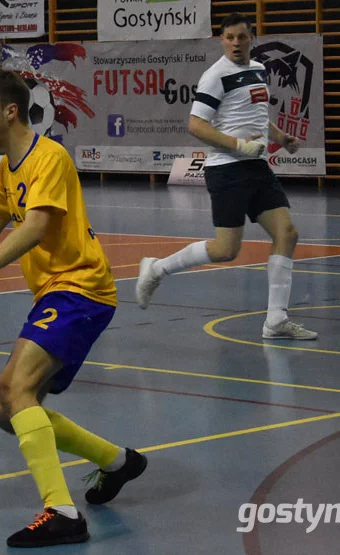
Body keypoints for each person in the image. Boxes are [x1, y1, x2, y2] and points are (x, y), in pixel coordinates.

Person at [0, 69, 147, 547]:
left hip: (80, 287)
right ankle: (118, 461)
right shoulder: (8, 168)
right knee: (5, 410)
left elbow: (33, 228)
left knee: (14, 388)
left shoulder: (47, 157)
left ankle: (63, 513)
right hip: (56, 292)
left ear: (10, 111)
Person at [136, 12, 318, 341]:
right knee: (225, 250)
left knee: (287, 234)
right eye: (229, 37)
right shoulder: (215, 76)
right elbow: (196, 125)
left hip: (257, 167)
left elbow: (257, 116)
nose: (236, 43)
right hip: (227, 170)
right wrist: (238, 146)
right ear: (222, 40)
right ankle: (156, 268)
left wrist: (280, 137)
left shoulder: (259, 70)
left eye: (241, 37)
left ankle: (275, 320)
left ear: (252, 38)